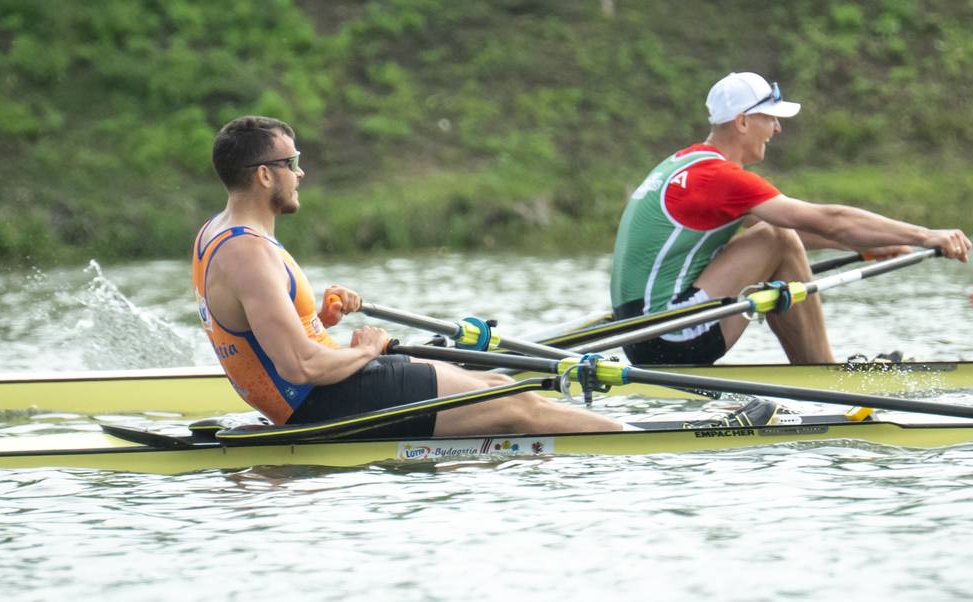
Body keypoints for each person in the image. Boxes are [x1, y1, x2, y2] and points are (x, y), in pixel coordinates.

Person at [192, 115, 642, 437]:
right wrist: (364, 351)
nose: (301, 172)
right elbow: (301, 366)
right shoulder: (247, 254)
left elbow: (260, 331)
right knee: (516, 406)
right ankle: (637, 446)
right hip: (321, 402)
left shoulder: (217, 233)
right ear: (265, 175)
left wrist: (320, 318)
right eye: (292, 162)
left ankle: (615, 435)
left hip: (324, 389)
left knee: (500, 385)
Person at [609, 72, 972, 366]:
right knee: (777, 239)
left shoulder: (682, 164)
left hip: (641, 334)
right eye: (771, 118)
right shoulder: (719, 178)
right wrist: (926, 235)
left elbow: (805, 230)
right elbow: (827, 220)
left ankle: (815, 371)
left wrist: (866, 244)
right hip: (671, 336)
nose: (777, 129)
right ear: (742, 122)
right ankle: (823, 372)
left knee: (776, 237)